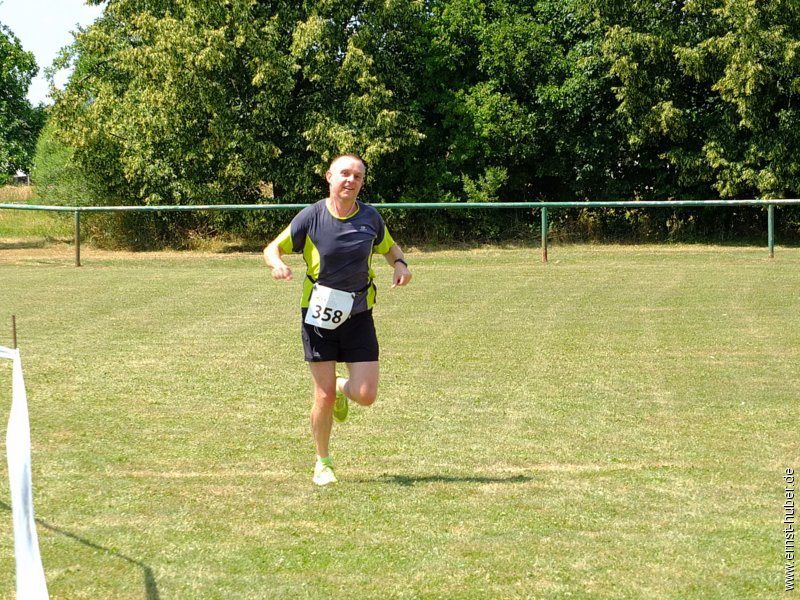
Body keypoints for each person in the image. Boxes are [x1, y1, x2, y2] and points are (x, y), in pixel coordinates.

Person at [264, 154, 412, 486]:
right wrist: (276, 264)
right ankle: (323, 461)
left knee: (366, 395)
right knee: (323, 395)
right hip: (318, 315)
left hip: (359, 313)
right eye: (344, 173)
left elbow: (390, 248)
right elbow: (273, 248)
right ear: (330, 177)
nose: (351, 180)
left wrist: (400, 264)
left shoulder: (370, 218)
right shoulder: (312, 216)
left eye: (357, 176)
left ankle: (343, 388)